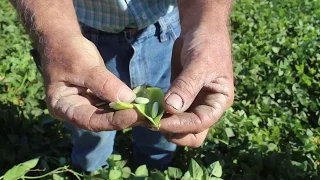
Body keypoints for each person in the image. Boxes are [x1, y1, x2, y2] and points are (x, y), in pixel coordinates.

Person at [10, 0, 234, 173]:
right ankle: (92, 171)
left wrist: (208, 26)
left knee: (163, 124)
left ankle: (155, 169)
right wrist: (56, 36)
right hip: (80, 38)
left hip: (167, 33)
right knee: (90, 128)